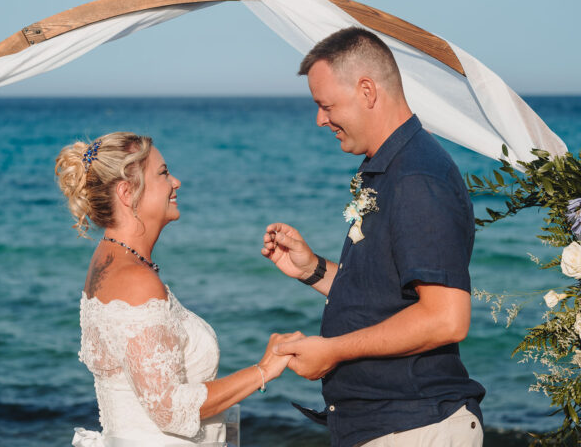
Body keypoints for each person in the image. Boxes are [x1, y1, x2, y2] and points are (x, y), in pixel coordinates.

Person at [261, 28, 486, 447]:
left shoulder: (416, 177)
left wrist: (333, 351)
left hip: (414, 426)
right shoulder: (392, 168)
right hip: (388, 426)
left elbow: (446, 318)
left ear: (367, 90)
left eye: (326, 105)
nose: (320, 120)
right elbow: (384, 295)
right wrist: (312, 270)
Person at [55, 132, 301, 447]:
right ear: (128, 192)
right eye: (163, 173)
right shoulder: (135, 280)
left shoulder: (107, 259)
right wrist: (263, 370)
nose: (176, 182)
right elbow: (169, 409)